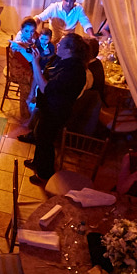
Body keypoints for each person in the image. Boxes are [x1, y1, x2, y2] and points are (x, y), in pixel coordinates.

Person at [26, 34, 90, 187]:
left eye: (61, 43)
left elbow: (46, 88)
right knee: (39, 135)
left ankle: (44, 174)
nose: (57, 44)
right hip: (48, 106)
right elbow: (46, 74)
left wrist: (35, 63)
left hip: (56, 111)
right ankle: (37, 162)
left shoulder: (74, 71)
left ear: (69, 50)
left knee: (45, 140)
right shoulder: (63, 60)